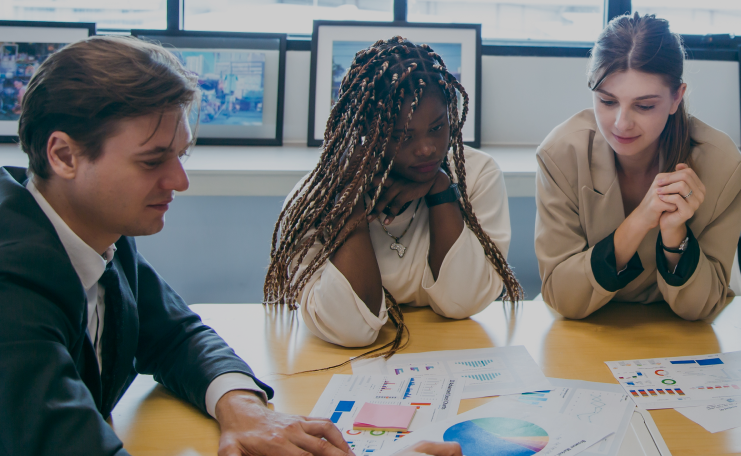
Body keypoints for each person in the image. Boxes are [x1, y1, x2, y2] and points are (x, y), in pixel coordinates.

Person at [0, 35, 461, 456]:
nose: (179, 181)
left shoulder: (96, 236)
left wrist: (244, 408)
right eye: (152, 161)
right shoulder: (12, 286)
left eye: (180, 155)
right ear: (64, 156)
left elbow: (177, 335)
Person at [263, 37, 523, 350]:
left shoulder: (478, 175)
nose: (427, 148)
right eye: (403, 136)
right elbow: (349, 329)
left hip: (450, 350)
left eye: (437, 128)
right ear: (366, 131)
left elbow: (464, 302)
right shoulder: (316, 198)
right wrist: (350, 204)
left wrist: (441, 190)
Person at [534, 13, 741, 321]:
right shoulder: (560, 154)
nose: (621, 123)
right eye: (607, 101)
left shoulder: (722, 165)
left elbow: (702, 307)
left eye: (645, 105)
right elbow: (562, 297)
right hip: (586, 329)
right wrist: (639, 221)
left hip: (678, 335)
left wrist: (675, 234)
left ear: (676, 98)